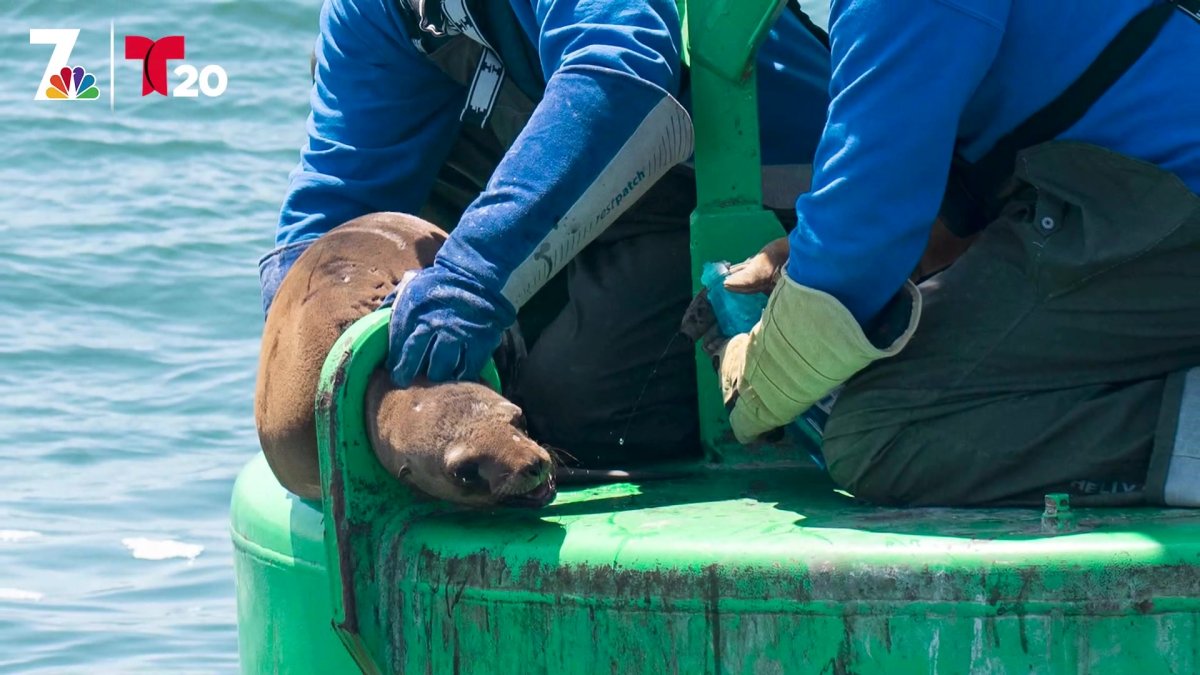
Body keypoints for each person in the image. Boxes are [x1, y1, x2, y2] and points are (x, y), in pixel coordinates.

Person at [260, 0, 831, 467]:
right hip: (594, 185)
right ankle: (505, 351)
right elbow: (337, 198)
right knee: (361, 236)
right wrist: (305, 343)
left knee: (571, 419)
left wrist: (472, 278)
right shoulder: (371, 11)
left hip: (744, 193)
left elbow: (622, 75)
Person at [718, 0, 1200, 507]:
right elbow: (916, 207)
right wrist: (810, 258)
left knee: (883, 434)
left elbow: (866, 228)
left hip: (1157, 211)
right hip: (1142, 203)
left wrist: (762, 382)